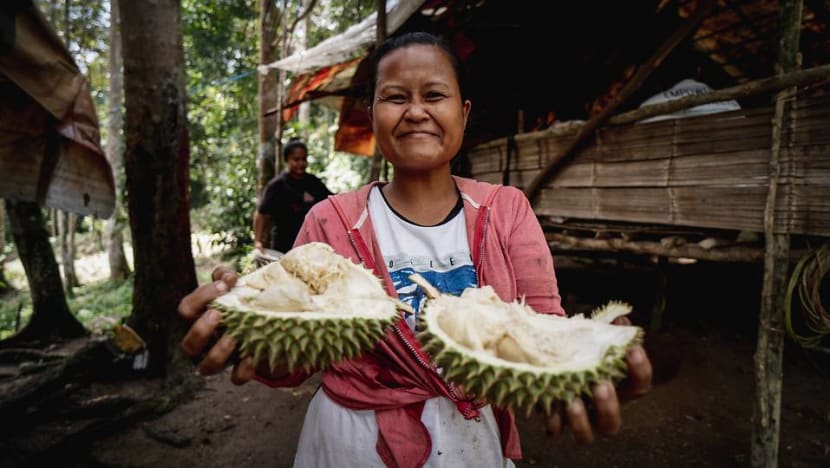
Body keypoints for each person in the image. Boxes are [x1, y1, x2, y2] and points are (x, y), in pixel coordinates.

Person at [178, 32, 652, 467]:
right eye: (395, 97)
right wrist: (249, 325)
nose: (416, 111)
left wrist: (586, 361)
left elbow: (542, 331)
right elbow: (297, 359)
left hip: (472, 444)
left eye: (435, 95)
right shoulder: (332, 218)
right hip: (349, 443)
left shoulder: (506, 210)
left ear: (464, 114)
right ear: (373, 116)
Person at [254, 137, 333, 254]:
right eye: (296, 160)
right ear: (287, 160)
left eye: (304, 159)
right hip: (283, 248)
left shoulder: (314, 182)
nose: (301, 163)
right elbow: (261, 214)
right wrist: (258, 241)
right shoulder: (277, 185)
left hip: (310, 248)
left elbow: (331, 203)